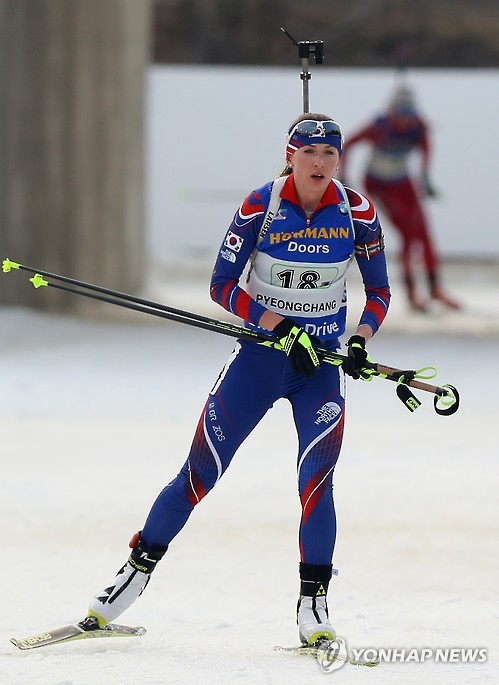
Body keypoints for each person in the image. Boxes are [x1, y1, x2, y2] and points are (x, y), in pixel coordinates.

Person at [80, 114, 391, 646]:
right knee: (199, 474)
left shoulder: (357, 212)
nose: (320, 163)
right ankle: (133, 572)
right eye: (309, 152)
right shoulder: (261, 204)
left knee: (316, 482)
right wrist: (278, 326)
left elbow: (379, 291)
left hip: (319, 370)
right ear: (290, 154)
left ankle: (313, 603)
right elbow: (222, 286)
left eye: (330, 154)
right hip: (260, 360)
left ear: (339, 159)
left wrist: (359, 340)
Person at [340, 86, 459, 312]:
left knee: (423, 232)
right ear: (391, 111)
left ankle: (434, 288)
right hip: (379, 184)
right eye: (399, 114)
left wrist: (425, 177)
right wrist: (344, 176)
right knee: (408, 234)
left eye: (408, 114)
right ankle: (413, 293)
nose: (404, 120)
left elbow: (426, 147)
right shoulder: (380, 126)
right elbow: (348, 144)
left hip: (403, 183)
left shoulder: (418, 127)